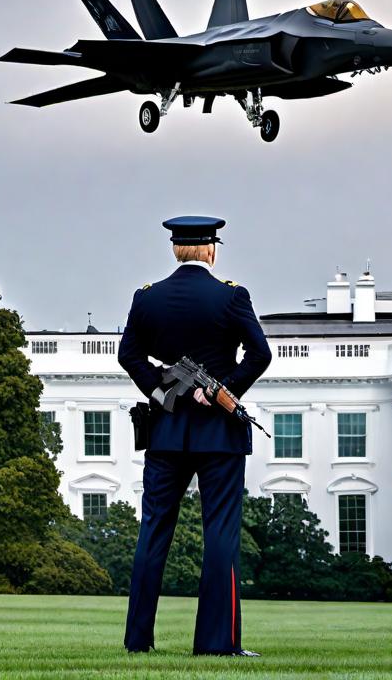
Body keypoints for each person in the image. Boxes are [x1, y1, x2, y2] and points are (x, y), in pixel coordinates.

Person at [117, 215, 272, 656]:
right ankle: (216, 643)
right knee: (220, 534)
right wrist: (224, 390)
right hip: (218, 435)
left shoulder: (147, 298)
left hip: (165, 433)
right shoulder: (231, 295)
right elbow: (260, 354)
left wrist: (160, 389)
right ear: (211, 249)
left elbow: (128, 354)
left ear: (174, 249)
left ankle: (138, 640)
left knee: (153, 533)